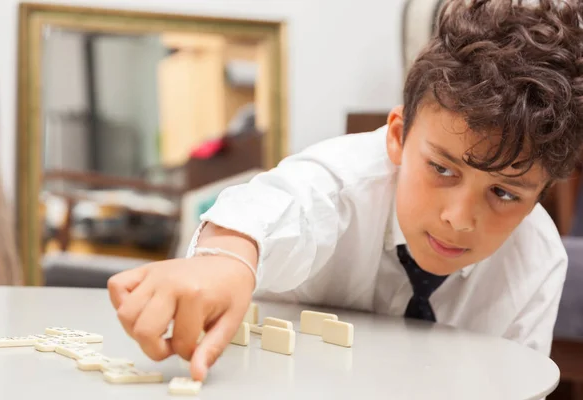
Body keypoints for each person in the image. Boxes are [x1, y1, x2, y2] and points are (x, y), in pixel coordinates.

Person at [107, 0, 583, 382]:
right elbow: (280, 205)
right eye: (442, 168)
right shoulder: (345, 180)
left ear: (540, 192)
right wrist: (227, 259)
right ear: (397, 135)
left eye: (504, 194)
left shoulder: (537, 261)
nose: (459, 218)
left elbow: (518, 384)